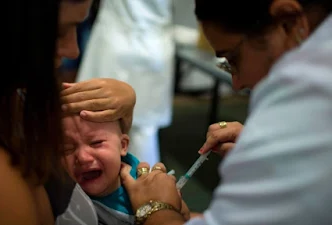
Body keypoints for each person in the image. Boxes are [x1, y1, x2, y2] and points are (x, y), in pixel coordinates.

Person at [117, 0, 332, 225]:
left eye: (233, 59)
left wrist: (154, 207)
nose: (236, 84)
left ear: (289, 22)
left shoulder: (316, 95)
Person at [0, 0, 137, 224]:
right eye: (59, 32)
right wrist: (159, 212)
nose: (73, 49)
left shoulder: (11, 102)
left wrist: (123, 97)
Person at [76, 0, 175, 166]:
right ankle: (144, 186)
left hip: (115, 40)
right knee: (144, 131)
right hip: (153, 44)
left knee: (97, 118)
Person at [60, 114, 138, 224]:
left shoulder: (151, 184)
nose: (83, 157)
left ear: (123, 145)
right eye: (66, 149)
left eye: (96, 143)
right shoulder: (63, 203)